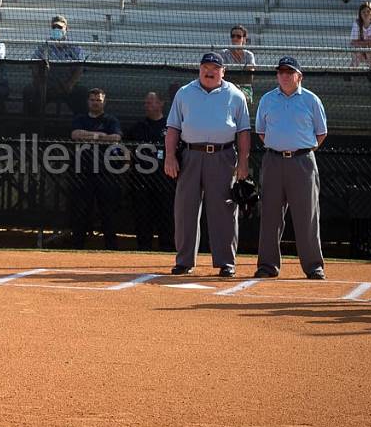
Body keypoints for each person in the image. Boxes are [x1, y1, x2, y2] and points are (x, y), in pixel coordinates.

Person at [164, 52, 250, 277]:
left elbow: (243, 131)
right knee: (185, 209)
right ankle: (184, 261)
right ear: (199, 69)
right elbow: (173, 128)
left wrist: (243, 162)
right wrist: (170, 156)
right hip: (190, 155)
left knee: (224, 209)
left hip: (223, 156)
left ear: (224, 71)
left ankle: (226, 262)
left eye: (214, 68)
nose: (209, 71)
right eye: (205, 67)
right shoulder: (185, 93)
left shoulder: (235, 94)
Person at [253, 57, 328, 280]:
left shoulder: (311, 100)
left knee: (307, 216)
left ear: (299, 76)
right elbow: (261, 131)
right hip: (273, 160)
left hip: (302, 162)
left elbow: (321, 133)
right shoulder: (267, 99)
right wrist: (280, 146)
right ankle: (267, 266)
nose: (284, 75)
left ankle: (314, 266)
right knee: (270, 216)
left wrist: (300, 149)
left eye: (289, 72)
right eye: (281, 72)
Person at [69, 88, 122, 250]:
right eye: (92, 100)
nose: (95, 103)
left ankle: (111, 247)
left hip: (105, 173)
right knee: (82, 210)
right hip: (83, 171)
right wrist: (99, 136)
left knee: (107, 211)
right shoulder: (80, 118)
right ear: (88, 102)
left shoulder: (110, 120)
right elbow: (76, 134)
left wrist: (92, 136)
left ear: (104, 102)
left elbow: (116, 137)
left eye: (98, 100)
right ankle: (78, 246)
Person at [128, 91, 174, 251]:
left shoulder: (170, 126)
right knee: (143, 217)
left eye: (151, 102)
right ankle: (143, 248)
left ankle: (167, 249)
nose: (147, 106)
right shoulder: (139, 127)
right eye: (146, 103)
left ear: (161, 103)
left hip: (165, 181)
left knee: (166, 217)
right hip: (142, 181)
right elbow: (126, 149)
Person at [22, 14, 88, 116]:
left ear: (66, 28)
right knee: (29, 91)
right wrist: (39, 82)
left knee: (82, 93)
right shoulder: (44, 46)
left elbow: (80, 67)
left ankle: (80, 127)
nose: (56, 29)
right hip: (46, 86)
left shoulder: (75, 47)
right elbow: (34, 64)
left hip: (67, 86)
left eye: (60, 27)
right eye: (54, 27)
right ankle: (31, 126)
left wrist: (70, 84)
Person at [220, 24, 257, 104]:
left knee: (241, 97)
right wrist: (242, 73)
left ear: (244, 39)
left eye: (238, 36)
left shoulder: (249, 55)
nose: (235, 39)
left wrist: (232, 75)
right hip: (228, 87)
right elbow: (223, 75)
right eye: (233, 36)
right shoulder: (224, 53)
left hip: (245, 88)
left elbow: (249, 78)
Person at [350, 1, 371, 69]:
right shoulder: (357, 24)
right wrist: (367, 43)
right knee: (358, 53)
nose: (366, 14)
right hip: (360, 50)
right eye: (363, 12)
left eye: (368, 11)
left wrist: (363, 44)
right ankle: (351, 72)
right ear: (360, 14)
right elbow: (353, 42)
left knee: (369, 52)